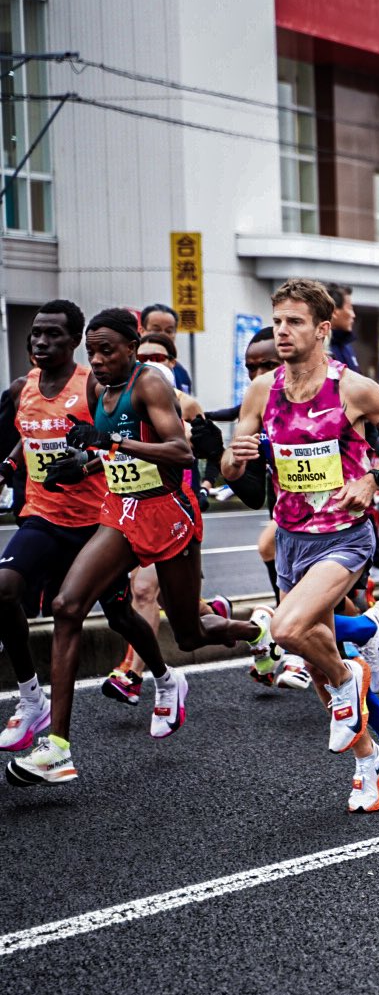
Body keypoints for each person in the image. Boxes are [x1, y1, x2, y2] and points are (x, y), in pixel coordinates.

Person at [5, 309, 263, 788]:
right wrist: (82, 463)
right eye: (93, 353)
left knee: (188, 634)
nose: (99, 361)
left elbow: (181, 453)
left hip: (168, 514)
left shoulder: (150, 385)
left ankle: (257, 633)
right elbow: (104, 453)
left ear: (131, 347)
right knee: (67, 606)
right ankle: (57, 748)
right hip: (121, 512)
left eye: (109, 351)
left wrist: (113, 439)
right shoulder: (96, 390)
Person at [223, 279, 379, 812]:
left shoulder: (352, 388)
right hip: (290, 537)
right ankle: (372, 758)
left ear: (322, 329)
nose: (282, 332)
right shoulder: (261, 391)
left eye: (294, 322)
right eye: (277, 321)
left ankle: (351, 674)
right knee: (315, 661)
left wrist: (373, 479)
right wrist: (235, 456)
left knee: (287, 629)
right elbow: (228, 466)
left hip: (344, 536)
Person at [0, 301, 134, 754]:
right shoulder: (22, 387)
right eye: (36, 333)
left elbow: (118, 443)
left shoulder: (93, 385)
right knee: (5, 588)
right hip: (44, 514)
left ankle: (164, 675)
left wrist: (87, 464)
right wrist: (9, 463)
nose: (40, 341)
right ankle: (31, 698)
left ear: (74, 340)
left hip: (99, 521)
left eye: (53, 334)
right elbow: (32, 429)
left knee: (121, 615)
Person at [326, 283, 359, 370]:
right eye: (350, 308)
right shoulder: (319, 349)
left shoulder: (346, 346)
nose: (353, 315)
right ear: (335, 312)